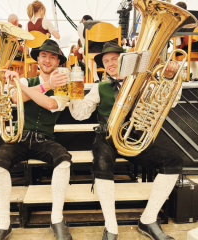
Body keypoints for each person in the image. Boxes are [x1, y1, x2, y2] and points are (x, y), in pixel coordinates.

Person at [69, 41, 183, 240]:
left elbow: (171, 102)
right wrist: (73, 93)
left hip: (134, 139)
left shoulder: (146, 81)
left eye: (114, 58)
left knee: (173, 161)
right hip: (107, 138)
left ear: (125, 61)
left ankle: (148, 219)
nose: (110, 63)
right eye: (106, 61)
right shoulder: (101, 87)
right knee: (102, 162)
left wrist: (169, 78)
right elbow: (79, 114)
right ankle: (111, 227)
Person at [0, 39, 72, 240]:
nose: (48, 60)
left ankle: (57, 219)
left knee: (64, 160)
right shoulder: (25, 81)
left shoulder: (61, 85)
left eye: (53, 57)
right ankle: (3, 223)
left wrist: (43, 86)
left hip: (45, 139)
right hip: (20, 137)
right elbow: (17, 98)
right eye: (44, 55)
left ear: (58, 61)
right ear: (38, 59)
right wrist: (41, 85)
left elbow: (51, 104)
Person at [175, 2, 198, 81]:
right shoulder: (194, 18)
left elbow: (178, 39)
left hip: (188, 47)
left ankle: (175, 76)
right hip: (196, 46)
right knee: (190, 56)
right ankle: (195, 76)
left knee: (175, 52)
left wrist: (175, 50)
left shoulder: (180, 19)